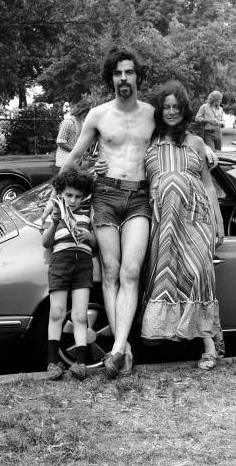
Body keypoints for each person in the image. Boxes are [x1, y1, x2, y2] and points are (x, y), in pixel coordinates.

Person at [60, 47, 155, 379]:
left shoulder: (152, 114)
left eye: (129, 72)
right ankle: (123, 350)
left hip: (139, 197)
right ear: (111, 78)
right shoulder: (99, 115)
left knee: (131, 272)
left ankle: (115, 350)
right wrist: (59, 190)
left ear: (137, 76)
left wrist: (206, 151)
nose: (123, 78)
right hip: (106, 197)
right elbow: (73, 159)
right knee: (111, 271)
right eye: (117, 73)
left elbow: (179, 137)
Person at [141, 80, 224, 370]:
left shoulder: (197, 143)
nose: (172, 111)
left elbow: (208, 185)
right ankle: (163, 331)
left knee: (199, 275)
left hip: (196, 219)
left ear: (185, 110)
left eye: (177, 107)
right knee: (166, 278)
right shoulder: (148, 141)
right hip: (163, 222)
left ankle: (209, 345)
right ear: (159, 110)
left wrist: (218, 221)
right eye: (166, 107)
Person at [41, 168, 96, 380]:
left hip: (83, 265)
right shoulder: (55, 213)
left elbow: (96, 244)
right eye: (69, 195)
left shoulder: (86, 214)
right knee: (56, 312)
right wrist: (55, 222)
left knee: (80, 315)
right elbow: (45, 242)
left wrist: (89, 236)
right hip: (60, 263)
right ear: (61, 194)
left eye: (78, 196)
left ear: (84, 197)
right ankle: (52, 363)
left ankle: (81, 362)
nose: (73, 200)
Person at [55, 99, 91, 168]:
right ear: (83, 111)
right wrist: (77, 152)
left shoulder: (82, 122)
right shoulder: (68, 122)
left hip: (76, 162)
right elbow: (60, 142)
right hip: (64, 162)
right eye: (88, 112)